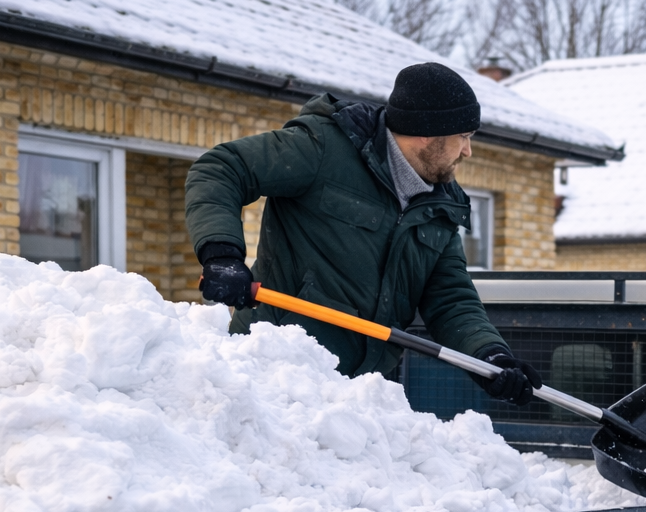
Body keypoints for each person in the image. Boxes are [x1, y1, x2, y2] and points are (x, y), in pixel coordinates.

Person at [184, 62, 541, 405]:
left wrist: (489, 357)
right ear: (426, 133)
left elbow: (451, 300)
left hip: (359, 401)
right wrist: (222, 254)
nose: (468, 150)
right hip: (274, 381)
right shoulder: (324, 149)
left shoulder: (441, 208)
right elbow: (222, 169)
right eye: (462, 136)